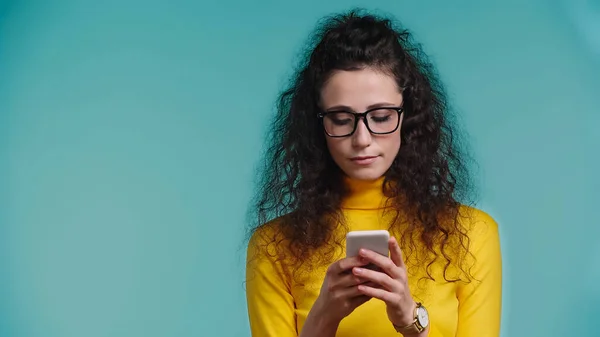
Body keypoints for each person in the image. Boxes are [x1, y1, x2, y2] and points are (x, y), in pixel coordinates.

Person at [244, 9, 502, 337]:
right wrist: (324, 315)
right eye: (340, 118)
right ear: (317, 125)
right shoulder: (273, 246)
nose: (362, 139)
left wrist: (410, 319)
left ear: (408, 116)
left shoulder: (471, 235)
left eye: (380, 117)